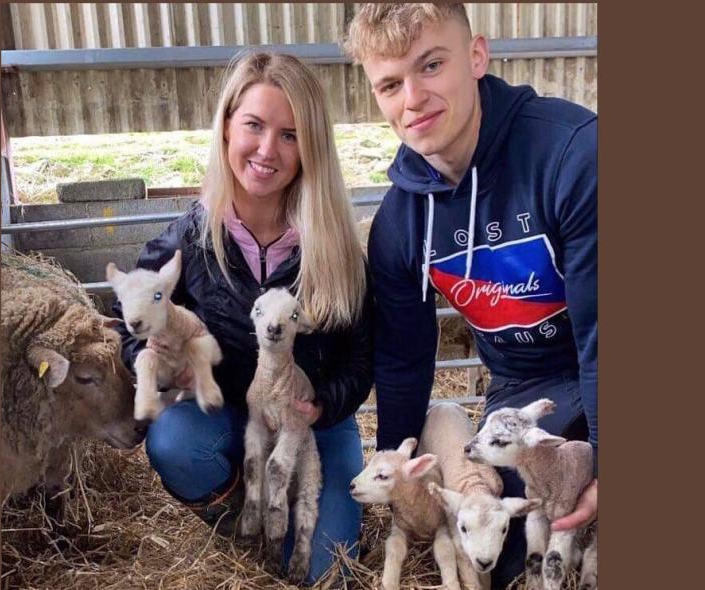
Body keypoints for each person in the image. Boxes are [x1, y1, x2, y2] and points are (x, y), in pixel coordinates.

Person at [344, 4, 597, 588]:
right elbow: (406, 360)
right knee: (503, 551)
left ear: (476, 56)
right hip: (522, 393)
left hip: (597, 364)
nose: (413, 98)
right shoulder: (400, 225)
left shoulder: (572, 154)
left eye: (431, 65)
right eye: (389, 84)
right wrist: (399, 472)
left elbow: (606, 334)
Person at [113, 51, 374, 585]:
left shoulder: (334, 245)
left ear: (311, 148)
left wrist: (324, 402)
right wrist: (158, 362)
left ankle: (304, 525)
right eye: (254, 125)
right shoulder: (192, 235)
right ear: (228, 125)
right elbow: (130, 317)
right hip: (233, 414)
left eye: (290, 135)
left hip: (312, 426)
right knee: (174, 443)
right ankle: (236, 516)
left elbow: (362, 355)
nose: (266, 149)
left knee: (326, 573)